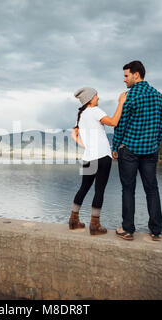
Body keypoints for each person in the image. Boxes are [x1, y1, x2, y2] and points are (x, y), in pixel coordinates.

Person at [112, 61, 162, 241]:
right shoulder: (160, 97)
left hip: (129, 150)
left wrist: (115, 147)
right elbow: (161, 126)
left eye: (126, 76)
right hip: (150, 150)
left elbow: (121, 125)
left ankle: (128, 229)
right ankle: (156, 231)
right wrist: (155, 144)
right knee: (152, 189)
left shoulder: (129, 97)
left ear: (136, 75)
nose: (124, 80)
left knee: (128, 190)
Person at [69, 87, 127, 235]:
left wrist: (86, 145)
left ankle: (73, 221)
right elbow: (114, 122)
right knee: (99, 190)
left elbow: (73, 135)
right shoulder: (95, 111)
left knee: (83, 188)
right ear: (90, 99)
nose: (98, 98)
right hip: (102, 156)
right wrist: (120, 102)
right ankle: (95, 226)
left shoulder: (81, 116)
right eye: (96, 96)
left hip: (88, 157)